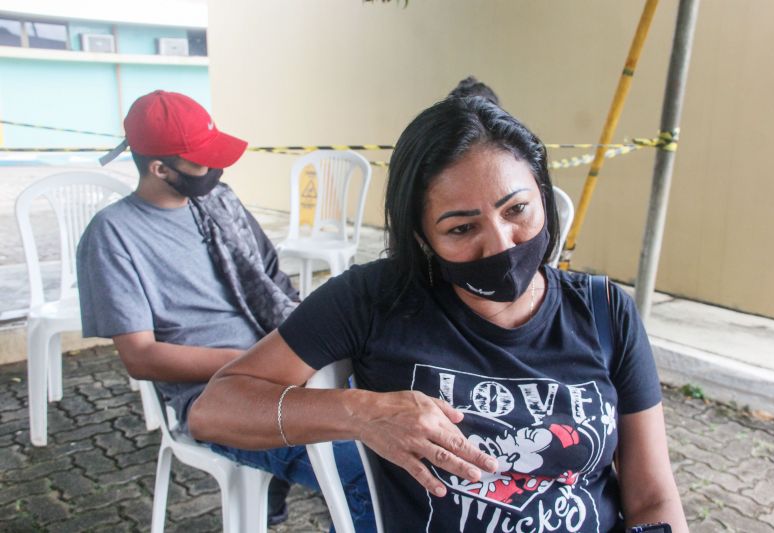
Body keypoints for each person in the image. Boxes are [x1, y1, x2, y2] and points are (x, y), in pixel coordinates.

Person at [189, 96, 688, 532]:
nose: (501, 244)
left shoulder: (605, 311)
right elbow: (215, 409)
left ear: (544, 195)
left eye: (517, 210)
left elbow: (651, 497)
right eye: (461, 228)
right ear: (423, 238)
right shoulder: (378, 298)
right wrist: (361, 413)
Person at [77, 90, 373, 528]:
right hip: (217, 396)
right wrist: (258, 364)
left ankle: (274, 491)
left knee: (406, 416)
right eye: (202, 160)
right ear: (160, 168)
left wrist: (301, 348)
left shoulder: (219, 204)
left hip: (286, 362)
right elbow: (140, 358)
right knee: (368, 473)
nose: (216, 169)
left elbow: (274, 281)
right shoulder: (113, 235)